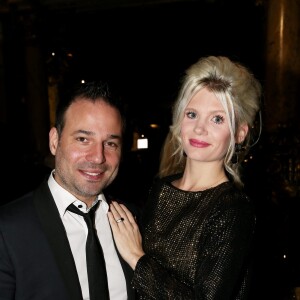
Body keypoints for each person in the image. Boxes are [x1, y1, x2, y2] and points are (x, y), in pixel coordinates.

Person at [107, 55, 262, 299]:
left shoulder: (232, 209)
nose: (200, 128)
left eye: (217, 118)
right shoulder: (162, 189)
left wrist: (137, 258)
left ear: (240, 133)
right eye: (192, 114)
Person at [0, 80, 136, 300]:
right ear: (55, 141)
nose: (98, 157)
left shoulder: (134, 220)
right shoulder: (7, 231)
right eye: (83, 139)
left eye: (110, 143)